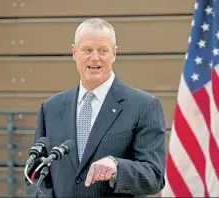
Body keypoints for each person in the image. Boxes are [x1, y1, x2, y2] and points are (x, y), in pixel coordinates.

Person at [26, 18, 166, 197]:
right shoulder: (50, 108)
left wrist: (116, 167)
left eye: (103, 50)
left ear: (114, 54)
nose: (95, 57)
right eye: (87, 50)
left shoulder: (144, 106)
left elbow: (154, 176)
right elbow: (35, 175)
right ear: (74, 52)